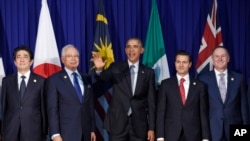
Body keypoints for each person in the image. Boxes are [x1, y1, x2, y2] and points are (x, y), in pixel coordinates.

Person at [92, 37, 156, 141]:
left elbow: (151, 102)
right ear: (125, 50)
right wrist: (99, 69)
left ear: (141, 50)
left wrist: (152, 128)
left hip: (139, 124)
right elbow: (103, 77)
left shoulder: (148, 73)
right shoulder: (116, 67)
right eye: (128, 47)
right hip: (118, 123)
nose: (131, 50)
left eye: (135, 47)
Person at [156, 50, 210, 141]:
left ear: (190, 64)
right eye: (178, 62)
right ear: (175, 63)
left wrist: (205, 138)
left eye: (184, 62)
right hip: (171, 134)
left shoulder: (200, 86)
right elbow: (161, 112)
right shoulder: (165, 84)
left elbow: (203, 113)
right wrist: (160, 136)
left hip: (193, 135)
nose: (181, 65)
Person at [46, 44, 96, 141]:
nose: (73, 59)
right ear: (63, 59)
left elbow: (89, 105)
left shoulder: (86, 78)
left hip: (86, 133)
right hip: (66, 133)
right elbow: (52, 109)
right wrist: (55, 134)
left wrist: (92, 129)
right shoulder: (54, 80)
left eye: (76, 56)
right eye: (69, 56)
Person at [198, 46, 249, 141]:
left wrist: (245, 130)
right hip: (212, 130)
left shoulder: (239, 78)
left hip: (235, 129)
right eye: (216, 56)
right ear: (212, 59)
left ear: (228, 59)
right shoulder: (202, 79)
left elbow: (243, 106)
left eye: (223, 56)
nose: (220, 59)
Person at [1, 45, 47, 141]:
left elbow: (44, 108)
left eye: (25, 57)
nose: (22, 59)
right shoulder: (6, 81)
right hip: (10, 131)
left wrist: (45, 131)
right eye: (18, 57)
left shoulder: (41, 81)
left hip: (33, 131)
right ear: (14, 62)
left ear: (31, 61)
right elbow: (3, 107)